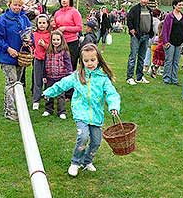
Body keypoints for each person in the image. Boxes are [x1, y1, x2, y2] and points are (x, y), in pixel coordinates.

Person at [43, 43, 121, 177]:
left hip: (96, 115)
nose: (89, 63)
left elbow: (112, 94)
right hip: (81, 112)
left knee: (96, 142)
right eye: (86, 61)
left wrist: (114, 106)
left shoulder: (103, 79)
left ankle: (87, 161)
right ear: (81, 61)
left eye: (92, 60)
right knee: (83, 136)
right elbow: (62, 84)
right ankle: (75, 162)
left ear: (98, 60)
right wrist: (49, 92)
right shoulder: (77, 76)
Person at [0, 0, 32, 122]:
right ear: (9, 4)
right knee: (11, 83)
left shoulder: (24, 18)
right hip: (7, 57)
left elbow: (30, 34)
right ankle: (9, 110)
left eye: (20, 5)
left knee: (17, 84)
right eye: (15, 5)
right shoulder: (2, 20)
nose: (17, 7)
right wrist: (8, 49)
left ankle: (18, 108)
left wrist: (29, 41)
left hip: (21, 57)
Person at [42, 30, 73, 119]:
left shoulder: (64, 51)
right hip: (49, 76)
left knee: (60, 95)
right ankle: (48, 109)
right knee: (49, 93)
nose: (56, 42)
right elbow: (45, 63)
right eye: (54, 40)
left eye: (57, 40)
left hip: (61, 76)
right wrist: (44, 75)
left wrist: (69, 74)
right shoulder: (48, 51)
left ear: (61, 40)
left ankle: (61, 111)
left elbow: (68, 63)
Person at [126, 0, 153, 85]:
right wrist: (132, 29)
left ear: (148, 0)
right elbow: (128, 19)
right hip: (136, 36)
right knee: (133, 56)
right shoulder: (134, 9)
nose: (144, 1)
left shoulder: (149, 10)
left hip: (146, 36)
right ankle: (129, 77)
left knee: (142, 57)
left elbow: (151, 22)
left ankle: (139, 77)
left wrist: (150, 33)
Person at [54, 0, 83, 71]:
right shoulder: (57, 13)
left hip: (72, 43)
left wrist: (65, 28)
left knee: (70, 65)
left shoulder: (74, 12)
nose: (64, 1)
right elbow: (55, 27)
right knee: (59, 65)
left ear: (70, 0)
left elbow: (79, 28)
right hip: (59, 42)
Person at [161, 0, 183, 85]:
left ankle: (174, 79)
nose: (181, 7)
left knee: (176, 62)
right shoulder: (169, 16)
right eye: (179, 5)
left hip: (179, 43)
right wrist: (165, 41)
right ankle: (166, 78)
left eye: (182, 5)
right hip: (170, 42)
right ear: (174, 5)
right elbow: (164, 30)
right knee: (169, 61)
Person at [32, 14, 51, 111]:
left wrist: (44, 45)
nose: (42, 25)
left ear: (48, 24)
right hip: (37, 60)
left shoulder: (50, 35)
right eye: (40, 23)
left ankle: (48, 97)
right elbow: (32, 45)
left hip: (48, 60)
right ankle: (36, 100)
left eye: (44, 23)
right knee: (37, 80)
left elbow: (52, 49)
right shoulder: (34, 34)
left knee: (48, 80)